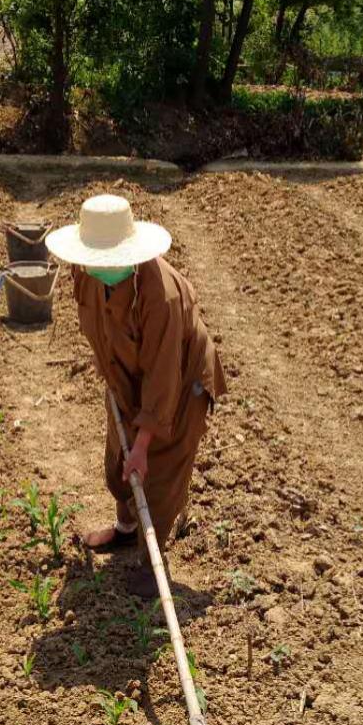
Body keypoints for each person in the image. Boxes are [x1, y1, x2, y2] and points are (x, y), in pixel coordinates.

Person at [46, 194, 226, 598]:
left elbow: (163, 377)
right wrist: (114, 379)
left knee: (157, 470)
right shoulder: (85, 272)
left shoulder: (161, 296)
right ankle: (127, 529)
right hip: (126, 372)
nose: (97, 265)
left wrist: (143, 444)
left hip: (180, 381)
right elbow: (98, 325)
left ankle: (151, 559)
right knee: (118, 461)